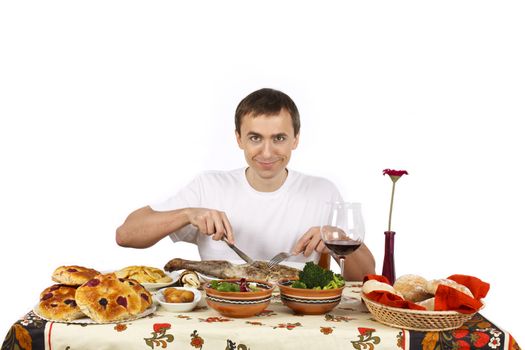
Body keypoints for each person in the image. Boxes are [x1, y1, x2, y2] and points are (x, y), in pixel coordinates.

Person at [116, 88, 375, 280]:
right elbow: (125, 235)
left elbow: (365, 277)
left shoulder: (322, 191)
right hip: (220, 315)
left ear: (295, 139)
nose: (266, 151)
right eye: (255, 138)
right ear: (239, 138)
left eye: (279, 138)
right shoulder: (210, 185)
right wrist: (187, 214)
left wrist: (338, 239)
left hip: (297, 316)